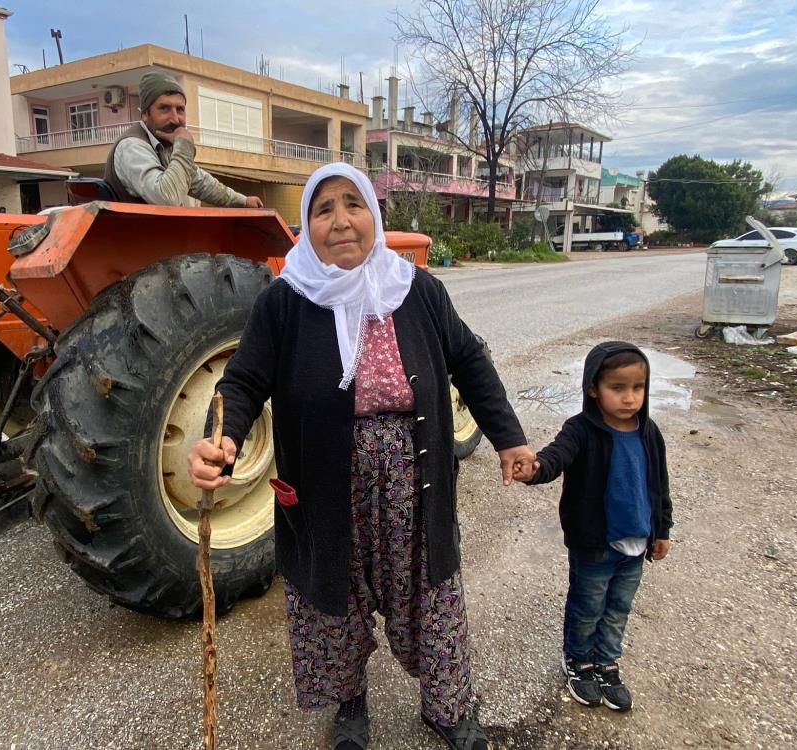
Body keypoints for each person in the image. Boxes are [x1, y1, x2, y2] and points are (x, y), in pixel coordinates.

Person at [187, 162, 537, 750]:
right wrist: (223, 438)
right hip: (325, 483)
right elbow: (242, 382)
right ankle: (350, 704)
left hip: (414, 477)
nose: (341, 220)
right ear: (306, 225)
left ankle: (447, 707)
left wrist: (509, 437)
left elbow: (470, 361)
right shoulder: (285, 301)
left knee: (432, 592)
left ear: (374, 215)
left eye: (353, 204)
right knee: (334, 600)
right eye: (323, 209)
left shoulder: (415, 288)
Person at [514, 342, 672, 712]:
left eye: (638, 387)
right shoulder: (581, 430)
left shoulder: (649, 433)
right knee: (587, 607)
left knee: (618, 608)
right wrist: (535, 468)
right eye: (618, 388)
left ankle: (607, 662)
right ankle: (579, 661)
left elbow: (659, 486)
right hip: (594, 546)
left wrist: (661, 531)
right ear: (593, 388)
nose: (630, 398)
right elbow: (557, 456)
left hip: (635, 546)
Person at [103, 69, 264, 209]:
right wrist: (184, 146)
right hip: (132, 242)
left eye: (180, 109)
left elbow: (200, 182)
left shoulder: (165, 144)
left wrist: (243, 201)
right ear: (145, 114)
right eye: (164, 108)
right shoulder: (132, 146)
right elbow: (166, 199)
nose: (175, 119)